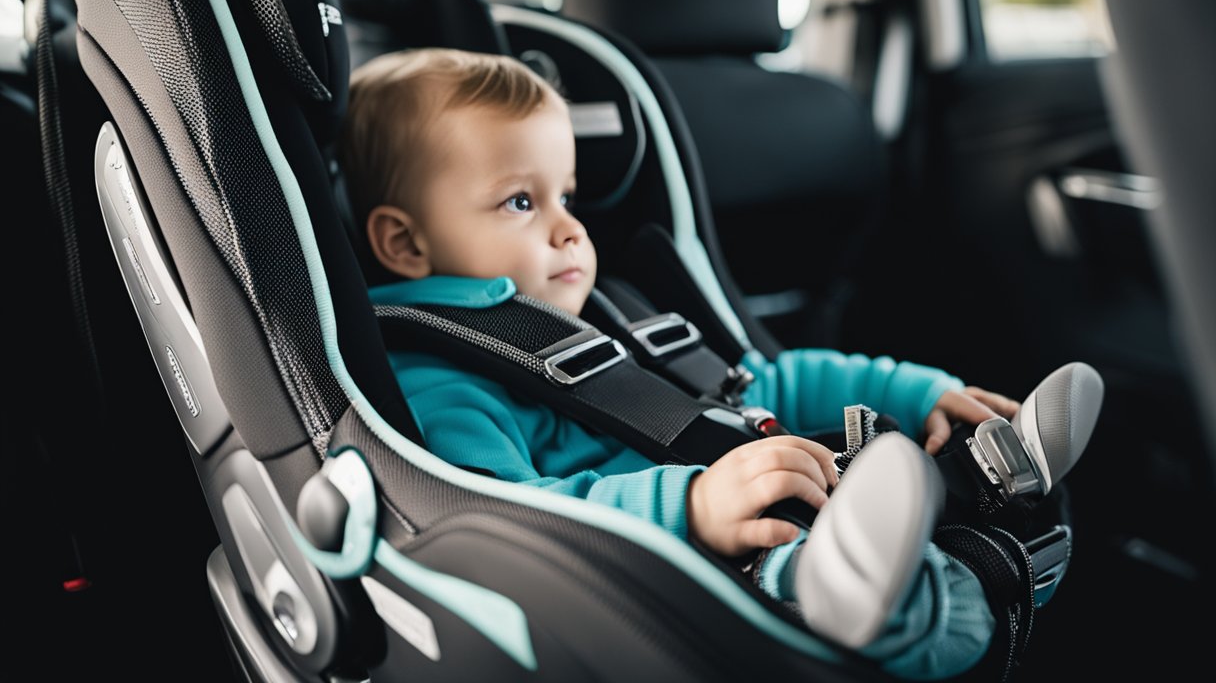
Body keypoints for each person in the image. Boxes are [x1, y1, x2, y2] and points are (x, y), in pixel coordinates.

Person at [338, 48, 1046, 679]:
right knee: (906, 607)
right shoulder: (434, 370)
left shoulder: (608, 313)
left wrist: (917, 390)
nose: (571, 229)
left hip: (764, 493)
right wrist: (690, 507)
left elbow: (755, 384)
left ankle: (995, 464)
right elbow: (497, 518)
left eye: (569, 197)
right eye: (521, 201)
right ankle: (891, 593)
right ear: (405, 244)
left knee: (951, 510)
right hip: (669, 574)